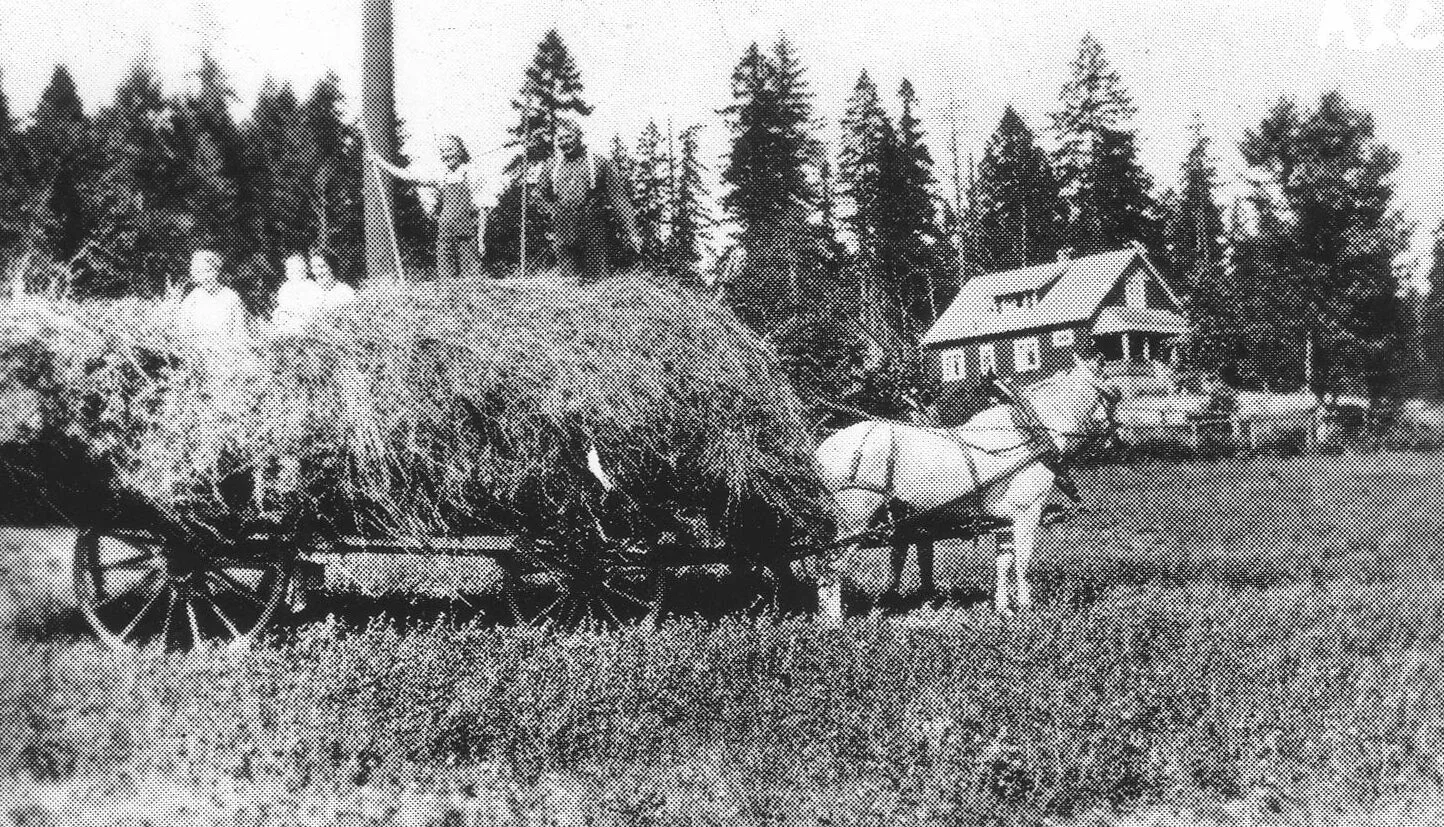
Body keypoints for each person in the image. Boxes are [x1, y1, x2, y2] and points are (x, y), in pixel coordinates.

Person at [370, 135, 490, 280]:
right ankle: (448, 301)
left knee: (470, 278)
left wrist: (481, 240)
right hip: (445, 233)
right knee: (446, 278)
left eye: (451, 149)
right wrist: (380, 162)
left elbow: (482, 208)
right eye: (443, 151)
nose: (447, 154)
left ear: (460, 150)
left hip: (465, 233)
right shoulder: (442, 175)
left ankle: (471, 301)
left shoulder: (470, 173)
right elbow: (410, 176)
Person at [536, 118, 641, 282]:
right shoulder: (551, 166)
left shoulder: (600, 163)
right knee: (568, 284)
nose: (564, 143)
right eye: (560, 139)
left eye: (569, 137)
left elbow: (619, 198)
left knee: (596, 284)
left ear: (579, 137)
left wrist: (632, 232)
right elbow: (539, 195)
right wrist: (552, 213)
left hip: (593, 229)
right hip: (563, 230)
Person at [174, 249, 250, 349]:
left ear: (216, 270)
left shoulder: (231, 297)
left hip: (227, 353)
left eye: (207, 270)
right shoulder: (191, 299)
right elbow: (182, 332)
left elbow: (240, 332)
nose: (201, 275)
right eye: (197, 270)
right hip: (197, 354)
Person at [272, 252, 322, 330]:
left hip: (308, 327)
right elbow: (281, 308)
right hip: (288, 327)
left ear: (304, 269)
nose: (293, 272)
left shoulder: (312, 287)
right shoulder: (285, 288)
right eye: (290, 269)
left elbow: (315, 312)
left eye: (297, 269)